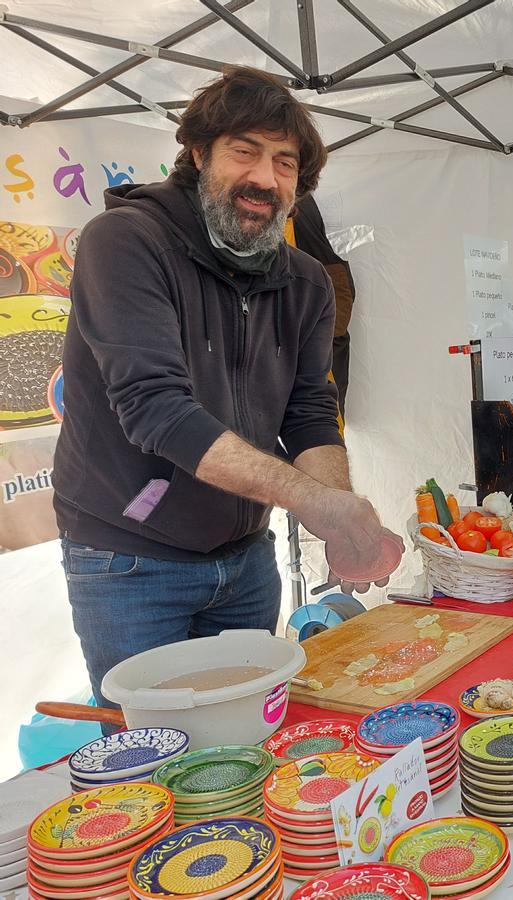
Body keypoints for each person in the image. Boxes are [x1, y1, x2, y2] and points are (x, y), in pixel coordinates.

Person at [53, 67, 402, 719]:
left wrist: (339, 509)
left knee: (245, 742)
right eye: (245, 151)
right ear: (197, 154)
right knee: (157, 761)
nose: (265, 179)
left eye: (285, 162)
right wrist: (320, 507)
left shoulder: (305, 281)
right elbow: (156, 411)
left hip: (244, 559)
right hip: (128, 560)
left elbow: (308, 415)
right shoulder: (126, 243)